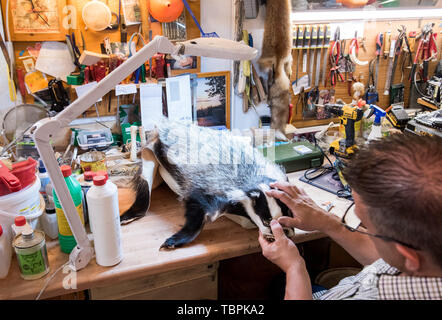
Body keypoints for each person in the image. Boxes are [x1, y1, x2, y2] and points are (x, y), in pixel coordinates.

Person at [259, 133, 442, 300]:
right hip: (349, 287)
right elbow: (384, 258)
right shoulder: (425, 255)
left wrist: (295, 267)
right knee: (279, 283)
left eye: (367, 227)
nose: (361, 228)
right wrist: (330, 223)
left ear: (409, 257)